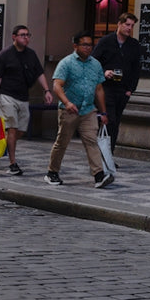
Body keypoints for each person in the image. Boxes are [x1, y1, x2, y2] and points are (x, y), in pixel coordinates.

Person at [0, 25, 54, 176]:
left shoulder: (31, 54)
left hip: (23, 97)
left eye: (28, 35)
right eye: (22, 35)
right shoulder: (5, 55)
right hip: (6, 95)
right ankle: (12, 163)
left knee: (21, 130)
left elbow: (39, 73)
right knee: (13, 127)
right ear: (14, 37)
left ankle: (0, 147)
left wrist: (47, 90)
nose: (26, 38)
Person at [47, 31, 111, 188]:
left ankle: (98, 175)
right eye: (84, 45)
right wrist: (67, 103)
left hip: (88, 110)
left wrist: (103, 112)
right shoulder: (66, 63)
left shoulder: (95, 64)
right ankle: (52, 172)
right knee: (62, 142)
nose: (88, 48)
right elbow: (57, 85)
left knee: (91, 141)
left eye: (90, 45)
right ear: (75, 46)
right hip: (69, 110)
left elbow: (99, 89)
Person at [92, 12, 141, 153]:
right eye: (127, 24)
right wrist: (104, 72)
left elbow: (136, 69)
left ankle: (109, 155)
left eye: (132, 26)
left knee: (116, 122)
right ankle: (102, 155)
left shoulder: (134, 45)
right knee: (109, 119)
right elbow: (93, 62)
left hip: (123, 89)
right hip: (106, 88)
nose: (129, 28)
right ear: (119, 24)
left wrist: (130, 90)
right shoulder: (106, 41)